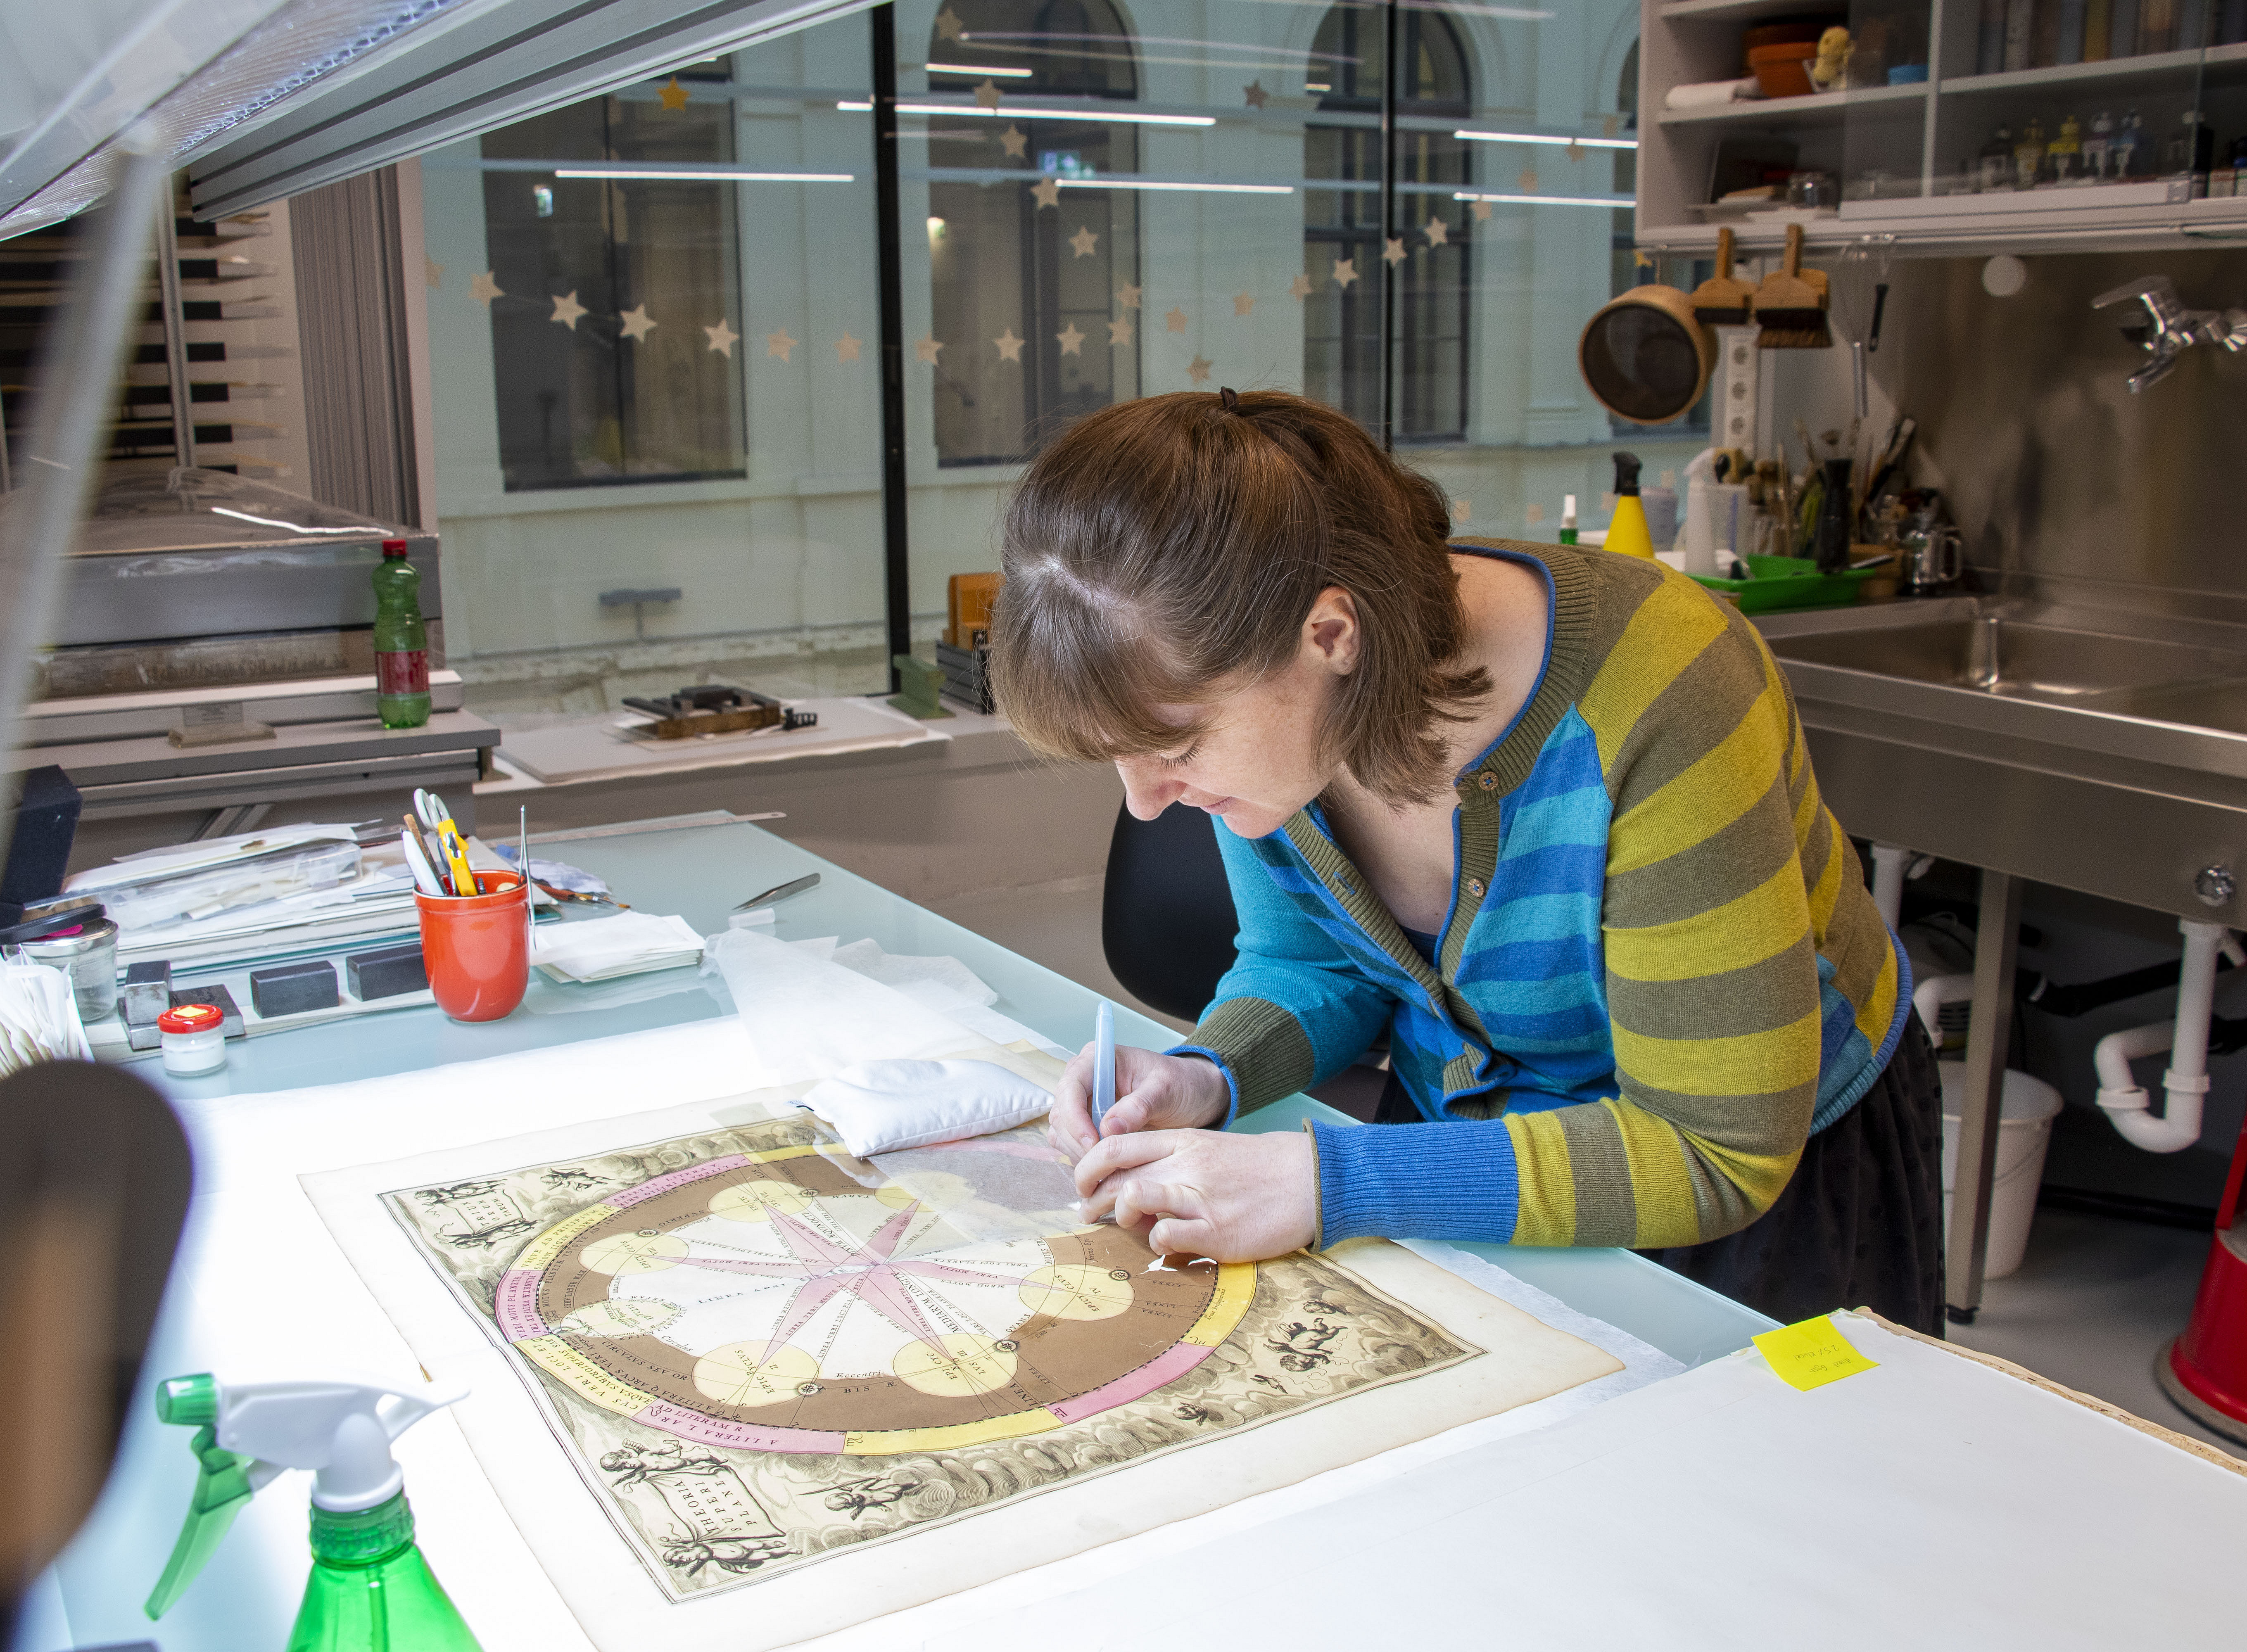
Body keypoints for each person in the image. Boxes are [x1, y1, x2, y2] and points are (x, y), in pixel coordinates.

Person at [988, 387, 1943, 1332]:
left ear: (1329, 635)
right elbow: (1311, 963)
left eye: (1177, 746)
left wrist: (1331, 1178)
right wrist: (1208, 1071)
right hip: (1451, 1157)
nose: (1144, 802)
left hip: (1751, 1194)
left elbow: (1710, 1151)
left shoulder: (1664, 696)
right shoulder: (1280, 710)